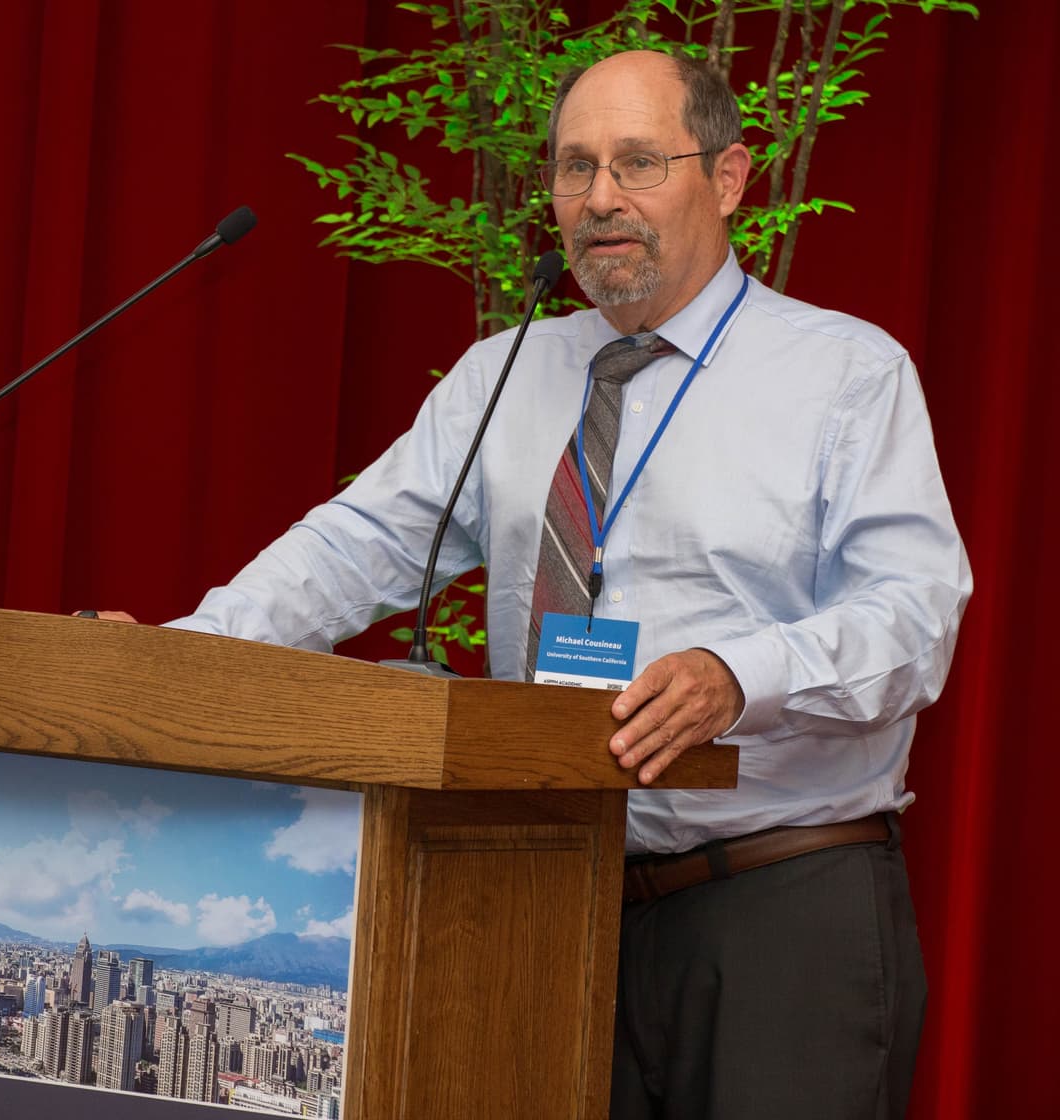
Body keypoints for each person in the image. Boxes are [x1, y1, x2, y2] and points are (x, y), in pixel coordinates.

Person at [96, 51, 970, 1119]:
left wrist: (734, 674)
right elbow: (352, 548)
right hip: (541, 896)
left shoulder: (843, 374)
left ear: (729, 177)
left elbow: (912, 617)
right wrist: (181, 653)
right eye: (572, 168)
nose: (599, 197)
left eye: (637, 162)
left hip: (775, 911)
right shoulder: (502, 374)